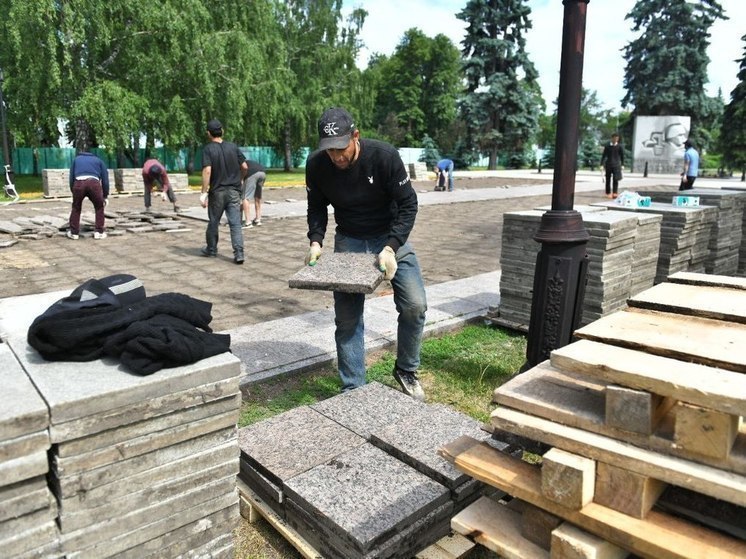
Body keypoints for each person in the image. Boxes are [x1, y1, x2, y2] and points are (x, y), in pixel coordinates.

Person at [304, 107, 428, 401]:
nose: (336, 157)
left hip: (389, 236)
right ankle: (353, 389)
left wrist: (391, 247)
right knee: (347, 318)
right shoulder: (317, 165)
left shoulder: (384, 157)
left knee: (415, 305)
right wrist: (316, 241)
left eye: (341, 149)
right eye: (329, 151)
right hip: (350, 239)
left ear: (355, 136)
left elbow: (409, 205)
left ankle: (406, 369)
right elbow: (317, 208)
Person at [200, 119, 248, 264]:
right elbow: (245, 166)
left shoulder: (208, 149)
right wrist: (239, 179)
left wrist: (203, 192)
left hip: (217, 192)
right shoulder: (233, 147)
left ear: (208, 133)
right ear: (223, 131)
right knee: (235, 224)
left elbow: (207, 171)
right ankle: (239, 254)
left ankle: (212, 250)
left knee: (214, 221)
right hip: (234, 191)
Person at [67, 150, 110, 240]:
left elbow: (71, 177)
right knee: (99, 207)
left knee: (76, 207)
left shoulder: (76, 160)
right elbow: (105, 180)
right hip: (94, 183)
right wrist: (105, 196)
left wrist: (73, 191)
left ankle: (74, 233)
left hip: (79, 183)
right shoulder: (98, 161)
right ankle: (99, 232)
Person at [241, 160, 266, 228]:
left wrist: (242, 179)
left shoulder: (238, 163)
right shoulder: (247, 161)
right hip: (263, 173)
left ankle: (248, 222)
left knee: (245, 197)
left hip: (252, 174)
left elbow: (244, 169)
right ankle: (258, 219)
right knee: (257, 196)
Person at [600, 133, 624, 199]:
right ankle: (608, 193)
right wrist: (601, 164)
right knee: (608, 179)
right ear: (612, 138)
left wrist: (622, 164)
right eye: (615, 138)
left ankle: (615, 192)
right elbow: (603, 156)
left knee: (616, 179)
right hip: (608, 165)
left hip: (616, 165)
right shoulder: (607, 146)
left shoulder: (619, 147)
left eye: (617, 138)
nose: (616, 139)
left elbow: (622, 156)